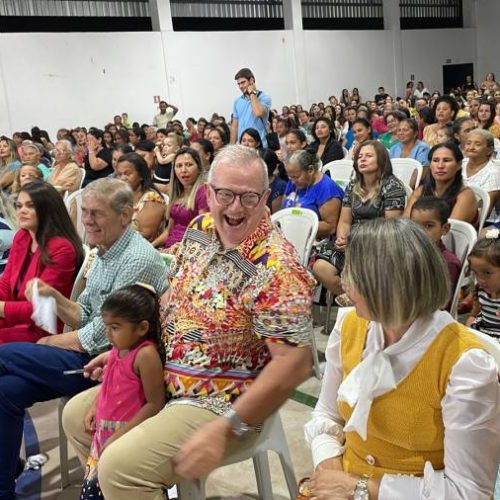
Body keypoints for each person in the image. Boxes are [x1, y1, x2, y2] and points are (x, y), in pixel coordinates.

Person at [62, 145, 314, 498]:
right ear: (208, 193)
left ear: (267, 198)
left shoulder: (276, 266)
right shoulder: (199, 229)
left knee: (121, 466)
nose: (235, 207)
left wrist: (228, 427)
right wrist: (130, 353)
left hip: (223, 401)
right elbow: (171, 302)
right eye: (225, 194)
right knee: (76, 417)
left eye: (249, 197)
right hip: (168, 375)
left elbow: (294, 364)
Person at [304, 217, 500, 499]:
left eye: (354, 276)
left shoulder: (464, 363)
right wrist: (329, 462)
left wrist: (359, 488)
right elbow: (326, 413)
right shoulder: (349, 325)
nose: (344, 283)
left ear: (389, 286)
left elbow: (469, 491)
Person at [0, 177, 168, 499]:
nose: (87, 220)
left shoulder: (135, 259)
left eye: (97, 213)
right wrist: (55, 299)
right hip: (89, 354)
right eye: (86, 211)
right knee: (6, 391)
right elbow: (87, 313)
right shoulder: (105, 251)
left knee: (6, 356)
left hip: (109, 366)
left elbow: (107, 334)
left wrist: (50, 343)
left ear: (125, 215)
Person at [80, 285, 165, 499]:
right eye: (107, 326)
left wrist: (120, 435)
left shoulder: (145, 355)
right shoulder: (119, 348)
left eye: (115, 327)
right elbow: (108, 383)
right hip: (105, 434)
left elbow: (155, 404)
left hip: (127, 434)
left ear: (142, 327)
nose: (108, 333)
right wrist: (94, 407)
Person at [312, 141, 406, 295]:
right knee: (320, 267)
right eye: (360, 156)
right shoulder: (353, 185)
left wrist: (356, 242)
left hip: (379, 244)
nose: (362, 159)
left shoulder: (392, 186)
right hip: (351, 241)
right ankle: (355, 303)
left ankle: (365, 305)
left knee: (362, 272)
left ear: (381, 160)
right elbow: (344, 220)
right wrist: (343, 239)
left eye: (369, 156)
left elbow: (390, 227)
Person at [0, 181, 83, 344]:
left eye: (30, 206)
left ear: (47, 209)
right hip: (16, 317)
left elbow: (41, 309)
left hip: (42, 329)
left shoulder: (62, 249)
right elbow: (6, 283)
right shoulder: (22, 236)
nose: (22, 211)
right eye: (19, 206)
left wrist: (1, 308)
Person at [404, 143, 478, 224]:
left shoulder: (465, 195)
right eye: (435, 160)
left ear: (459, 165)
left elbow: (450, 231)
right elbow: (405, 224)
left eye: (446, 160)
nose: (440, 166)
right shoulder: (421, 191)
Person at [410, 196, 461, 307]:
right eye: (415, 225)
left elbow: (442, 304)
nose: (420, 232)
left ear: (445, 229)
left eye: (428, 226)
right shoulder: (407, 253)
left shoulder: (447, 263)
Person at [152, 148, 208, 249]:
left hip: (189, 251)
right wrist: (151, 246)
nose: (183, 170)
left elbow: (203, 235)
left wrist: (176, 250)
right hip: (169, 249)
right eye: (179, 166)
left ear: (199, 168)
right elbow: (169, 231)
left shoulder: (203, 192)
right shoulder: (177, 192)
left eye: (189, 165)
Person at [282, 149, 344, 238]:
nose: (292, 181)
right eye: (290, 177)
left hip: (314, 240)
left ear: (310, 170)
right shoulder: (293, 181)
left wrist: (298, 224)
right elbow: (283, 210)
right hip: (289, 234)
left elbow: (330, 228)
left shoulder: (327, 189)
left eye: (296, 177)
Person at [115, 153, 166, 242]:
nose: (122, 178)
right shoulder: (120, 197)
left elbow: (147, 235)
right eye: (119, 174)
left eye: (128, 173)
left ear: (141, 175)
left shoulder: (152, 198)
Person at [467, 231, 500, 341]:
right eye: (476, 273)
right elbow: (473, 315)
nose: (480, 280)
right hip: (483, 336)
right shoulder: (480, 291)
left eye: (487, 273)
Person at [230, 68, 272, 147]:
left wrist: (252, 92)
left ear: (251, 80)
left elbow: (258, 112)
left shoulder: (264, 98)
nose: (240, 86)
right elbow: (234, 126)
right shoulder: (237, 101)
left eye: (243, 82)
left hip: (260, 145)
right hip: (242, 146)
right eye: (238, 84)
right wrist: (231, 148)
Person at [462, 129, 500, 213]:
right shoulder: (459, 165)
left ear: (489, 150)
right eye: (468, 143)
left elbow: (485, 210)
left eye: (477, 144)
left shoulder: (493, 172)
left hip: (482, 220)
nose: (471, 148)